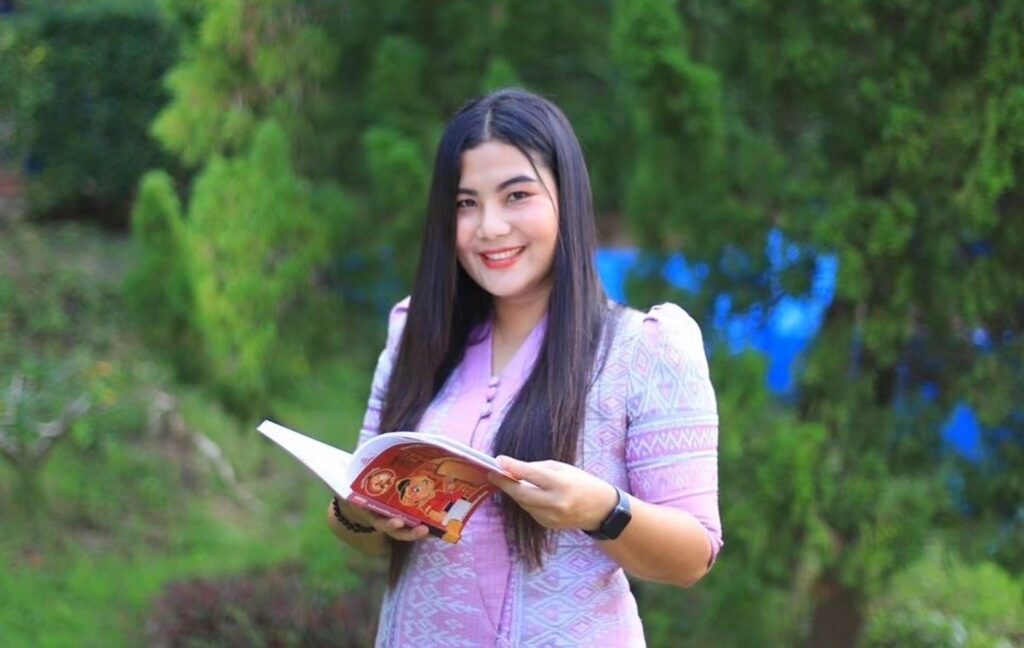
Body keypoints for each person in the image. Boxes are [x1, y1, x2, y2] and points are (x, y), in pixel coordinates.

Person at [327, 88, 722, 646]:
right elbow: (361, 526)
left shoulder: (645, 348)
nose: (489, 227)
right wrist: (361, 513)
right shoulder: (415, 333)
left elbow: (693, 557)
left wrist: (601, 510)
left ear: (567, 198)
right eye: (465, 203)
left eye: (517, 195)